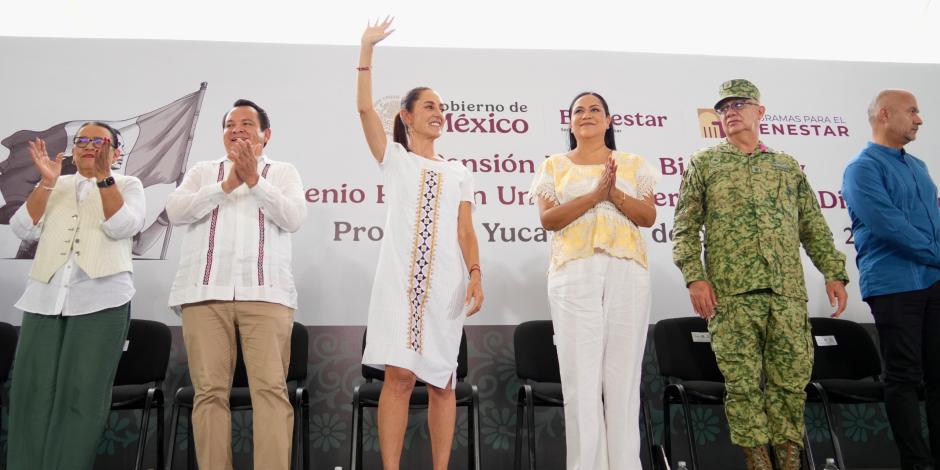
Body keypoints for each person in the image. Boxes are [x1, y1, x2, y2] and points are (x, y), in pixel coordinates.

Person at [672, 79, 849, 470]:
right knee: (744, 387)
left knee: (790, 385)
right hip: (731, 296)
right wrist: (695, 277)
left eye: (740, 104)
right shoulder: (706, 163)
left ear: (760, 112)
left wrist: (833, 272)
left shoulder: (786, 166)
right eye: (723, 108)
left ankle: (787, 461)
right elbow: (684, 227)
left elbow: (812, 226)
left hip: (786, 294)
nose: (730, 112)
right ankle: (757, 463)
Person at [356, 17, 484, 470]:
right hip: (398, 285)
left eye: (442, 108)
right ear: (407, 116)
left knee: (442, 381)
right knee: (399, 376)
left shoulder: (459, 172)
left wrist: (475, 274)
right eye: (428, 106)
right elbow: (365, 112)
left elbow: (465, 231)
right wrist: (366, 52)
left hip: (446, 287)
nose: (438, 113)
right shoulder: (395, 160)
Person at [166, 99, 306, 470]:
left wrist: (255, 181)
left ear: (266, 134)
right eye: (230, 124)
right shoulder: (202, 171)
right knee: (209, 394)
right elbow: (176, 212)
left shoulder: (283, 172)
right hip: (203, 294)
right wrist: (227, 184)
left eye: (247, 123)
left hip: (266, 294)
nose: (237, 129)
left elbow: (293, 218)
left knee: (271, 393)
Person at [528, 91, 659, 470]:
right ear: (570, 123)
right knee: (580, 381)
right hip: (573, 273)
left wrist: (613, 192)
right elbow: (549, 220)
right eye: (578, 111)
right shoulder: (553, 166)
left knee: (622, 378)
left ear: (608, 120)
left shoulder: (634, 164)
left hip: (627, 271)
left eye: (595, 110)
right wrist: (594, 194)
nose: (586, 115)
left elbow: (647, 217)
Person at [6, 122, 145, 470]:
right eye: (82, 140)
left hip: (101, 301)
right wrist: (47, 182)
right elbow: (22, 228)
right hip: (44, 299)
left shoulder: (128, 184)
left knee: (82, 396)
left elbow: (123, 227)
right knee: (30, 394)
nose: (88, 146)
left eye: (99, 142)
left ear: (116, 152)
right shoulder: (56, 183)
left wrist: (103, 179)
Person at [842, 89, 940, 470]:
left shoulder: (917, 167)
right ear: (884, 114)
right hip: (894, 285)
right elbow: (890, 227)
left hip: (932, 281)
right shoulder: (862, 167)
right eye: (912, 111)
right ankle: (916, 464)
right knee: (903, 377)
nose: (919, 119)